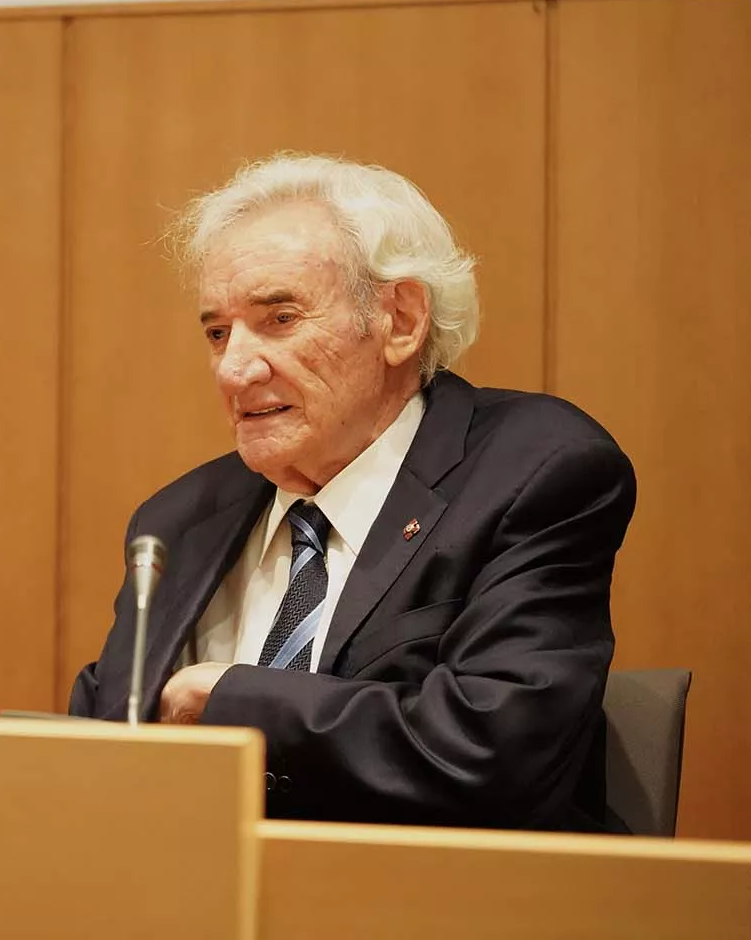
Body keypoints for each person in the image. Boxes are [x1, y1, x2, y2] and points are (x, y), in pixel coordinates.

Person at [70, 152, 635, 831]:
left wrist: (235, 701)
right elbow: (105, 738)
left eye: (279, 318)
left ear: (400, 319)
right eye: (218, 332)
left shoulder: (533, 470)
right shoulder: (178, 519)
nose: (235, 367)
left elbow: (495, 751)